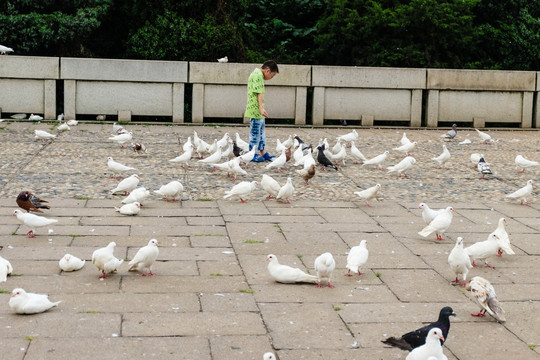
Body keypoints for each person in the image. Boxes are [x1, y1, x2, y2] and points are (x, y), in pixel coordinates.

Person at [244, 60, 279, 162]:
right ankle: (252, 153)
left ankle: (262, 152)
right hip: (255, 109)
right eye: (272, 75)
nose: (271, 78)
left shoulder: (257, 73)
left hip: (258, 109)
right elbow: (258, 93)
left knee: (261, 131)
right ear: (267, 71)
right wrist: (260, 108)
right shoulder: (258, 75)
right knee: (255, 132)